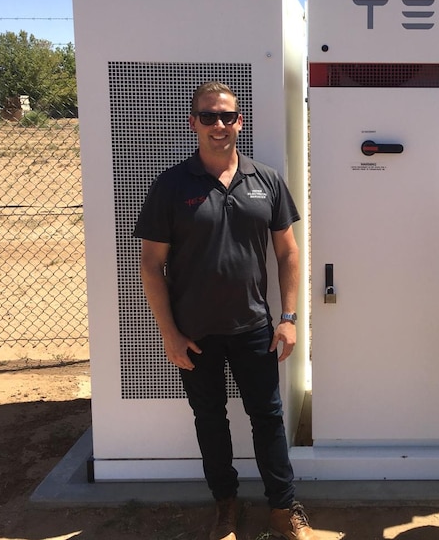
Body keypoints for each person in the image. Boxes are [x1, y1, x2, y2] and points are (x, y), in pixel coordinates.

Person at [135, 81, 315, 540]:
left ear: (240, 122)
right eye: (209, 116)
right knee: (210, 421)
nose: (219, 125)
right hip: (195, 334)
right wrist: (169, 335)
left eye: (228, 116)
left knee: (268, 418)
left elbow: (289, 252)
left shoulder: (267, 180)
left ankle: (282, 509)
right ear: (192, 123)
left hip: (254, 327)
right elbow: (151, 266)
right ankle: (226, 509)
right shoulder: (172, 186)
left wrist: (288, 318)